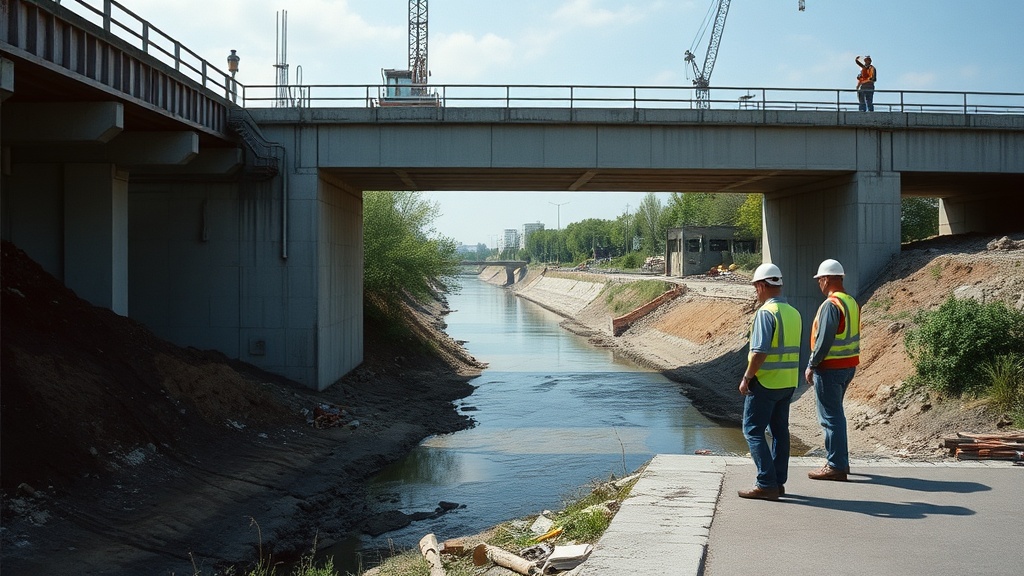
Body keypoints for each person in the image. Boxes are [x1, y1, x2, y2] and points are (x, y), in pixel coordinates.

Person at [737, 263, 802, 500]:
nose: (756, 292)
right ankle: (778, 481)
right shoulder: (794, 313)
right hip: (788, 383)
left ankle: (766, 482)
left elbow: (759, 352)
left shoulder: (766, 313)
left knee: (753, 430)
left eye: (756, 287)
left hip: (765, 382)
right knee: (779, 432)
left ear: (763, 285)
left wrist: (747, 377)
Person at [805, 259, 861, 482]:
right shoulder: (851, 302)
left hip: (830, 368)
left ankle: (836, 465)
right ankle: (839, 461)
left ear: (826, 279)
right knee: (836, 414)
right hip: (848, 366)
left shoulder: (831, 305)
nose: (819, 283)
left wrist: (812, 364)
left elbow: (824, 340)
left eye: (819, 279)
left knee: (831, 417)